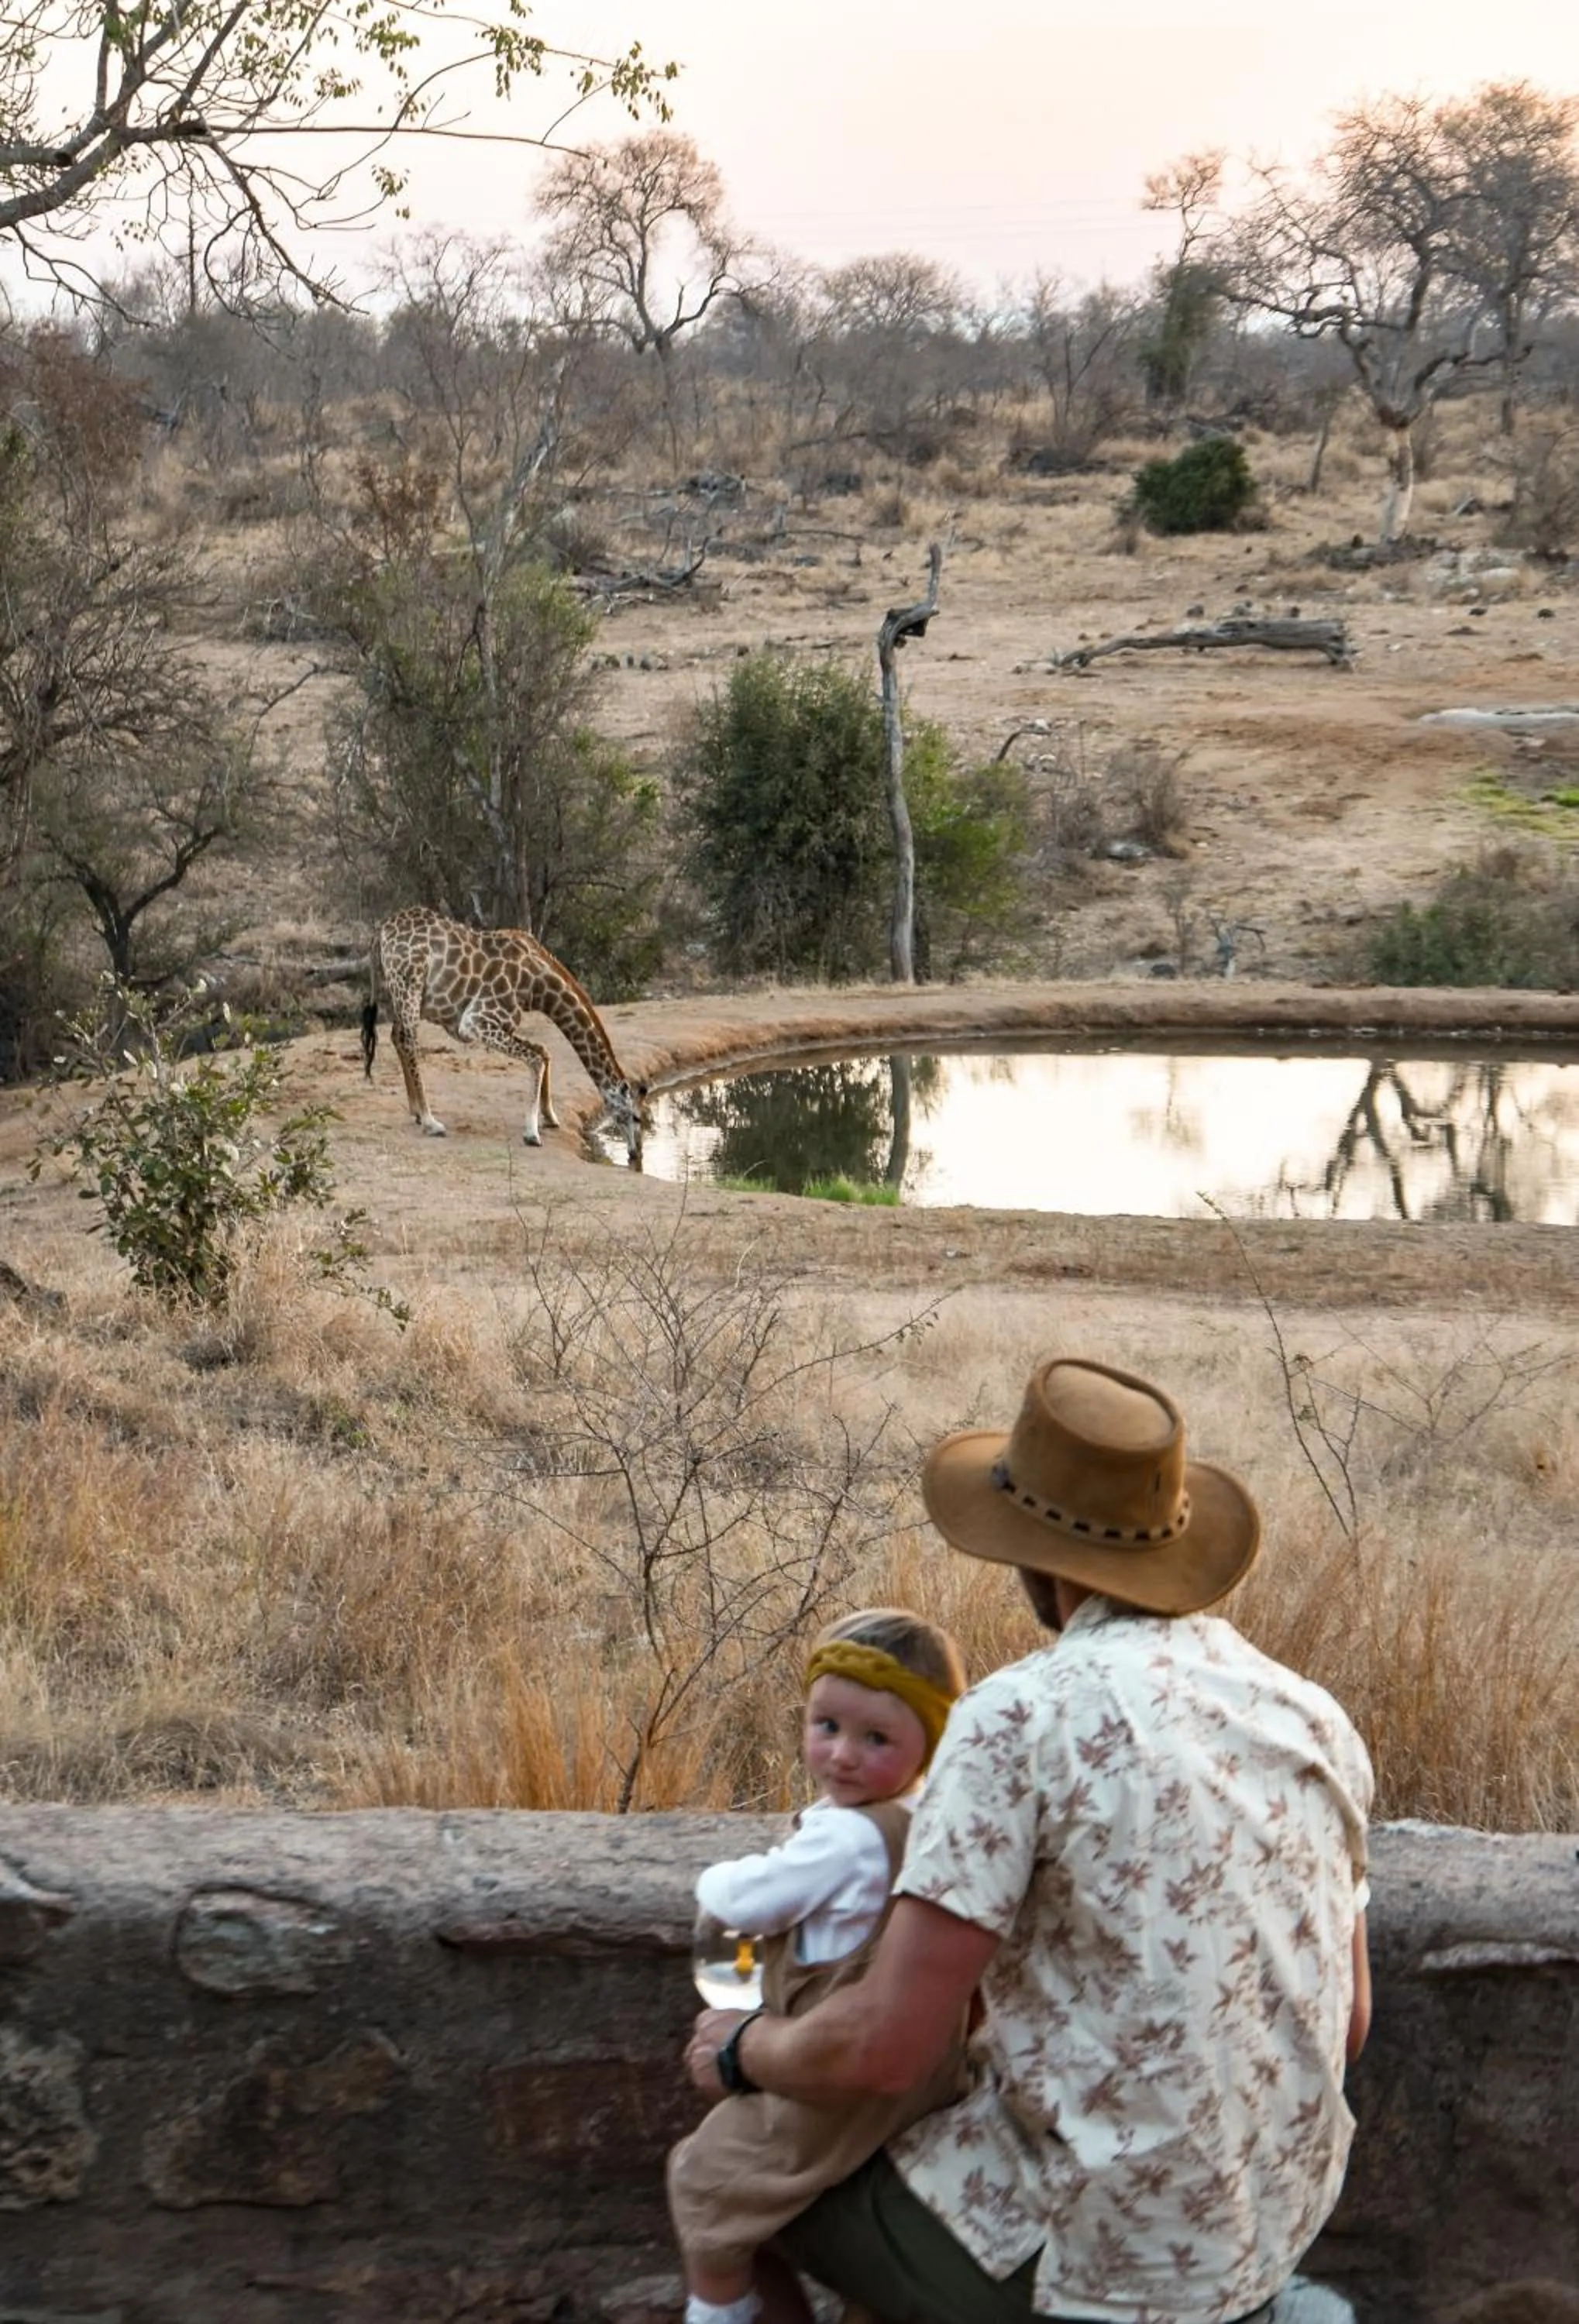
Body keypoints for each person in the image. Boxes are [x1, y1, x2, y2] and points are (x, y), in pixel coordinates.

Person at [684, 1356, 1375, 2324]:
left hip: (1108, 2261)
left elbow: (885, 2049)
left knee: (744, 2180)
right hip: (1269, 2223)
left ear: (1028, 1557)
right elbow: (1347, 2024)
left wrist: (744, 2050)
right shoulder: (1312, 1718)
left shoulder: (1018, 1717)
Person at [669, 1607, 968, 2324]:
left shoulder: (844, 1838)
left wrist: (716, 1880)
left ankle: (717, 2313)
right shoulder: (925, 1817)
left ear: (927, 1745)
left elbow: (752, 1900)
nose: (842, 1756)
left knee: (705, 2182)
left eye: (876, 1739)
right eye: (826, 1727)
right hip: (930, 2073)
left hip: (836, 2072)